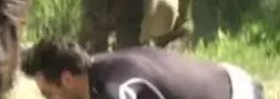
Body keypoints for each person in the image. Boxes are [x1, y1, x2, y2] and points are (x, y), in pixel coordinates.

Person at [21, 36, 264, 99]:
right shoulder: (96, 68)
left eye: (49, 95)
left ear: (66, 79)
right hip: (226, 77)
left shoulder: (113, 87)